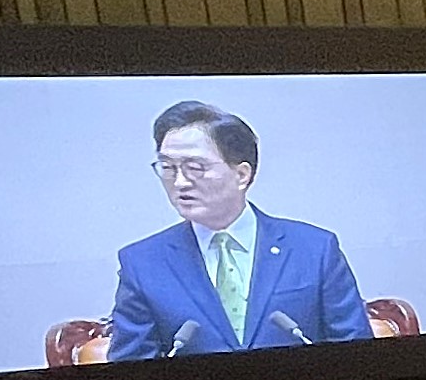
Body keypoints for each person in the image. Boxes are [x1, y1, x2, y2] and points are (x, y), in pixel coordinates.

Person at [103, 99, 367, 358]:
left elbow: (356, 353)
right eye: (168, 168)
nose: (180, 182)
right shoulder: (142, 263)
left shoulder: (314, 249)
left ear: (242, 175)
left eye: (194, 167)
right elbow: (131, 371)